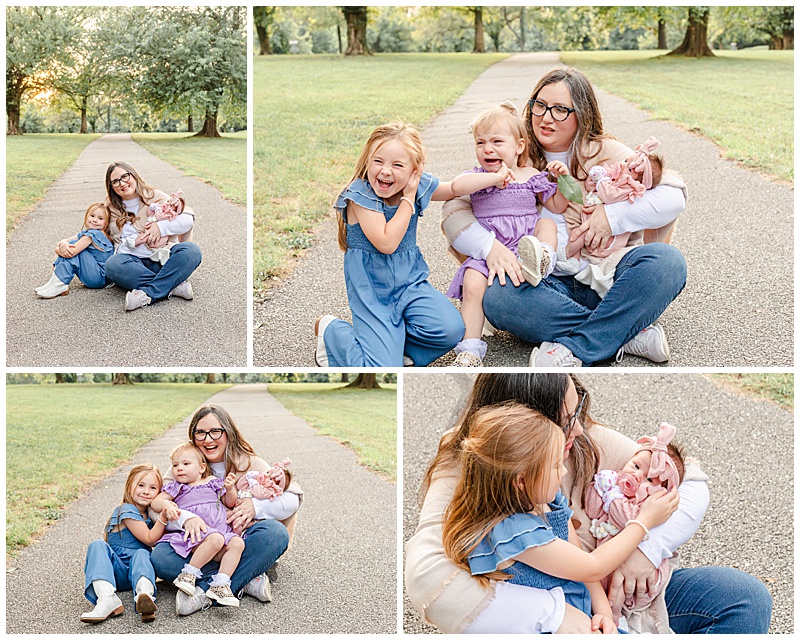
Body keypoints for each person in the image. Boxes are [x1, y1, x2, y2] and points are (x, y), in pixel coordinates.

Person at [405, 373, 773, 634]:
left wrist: (645, 551)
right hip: (559, 618)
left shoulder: (574, 448)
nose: (580, 430)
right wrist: (552, 615)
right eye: (567, 422)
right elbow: (427, 581)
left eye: (577, 409)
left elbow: (690, 480)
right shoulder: (476, 472)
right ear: (523, 435)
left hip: (610, 605)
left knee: (745, 599)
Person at [441, 68, 688, 367]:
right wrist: (489, 247)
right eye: (540, 105)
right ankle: (626, 332)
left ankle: (579, 345)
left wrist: (610, 217)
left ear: (582, 115)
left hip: (606, 279)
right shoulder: (513, 152)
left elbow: (674, 193)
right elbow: (455, 206)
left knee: (667, 263)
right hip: (541, 287)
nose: (546, 117)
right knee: (496, 296)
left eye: (560, 110)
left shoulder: (603, 152)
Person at [443, 402, 679, 633]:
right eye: (556, 466)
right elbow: (592, 567)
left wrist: (604, 611)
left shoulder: (547, 500)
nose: (564, 472)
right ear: (521, 481)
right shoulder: (513, 534)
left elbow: (581, 561)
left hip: (588, 617)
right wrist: (644, 521)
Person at [315, 121, 522, 367]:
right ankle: (332, 331)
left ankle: (390, 346)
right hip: (372, 293)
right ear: (367, 160)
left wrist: (493, 179)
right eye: (378, 161)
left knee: (451, 331)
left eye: (397, 165)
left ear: (414, 170)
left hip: (410, 283)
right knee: (382, 369)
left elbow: (454, 188)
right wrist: (409, 197)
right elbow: (387, 243)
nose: (385, 171)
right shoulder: (360, 195)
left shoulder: (417, 183)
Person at [150, 405, 302, 616]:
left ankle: (203, 591)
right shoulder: (184, 464)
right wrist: (186, 518)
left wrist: (254, 507)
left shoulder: (247, 462)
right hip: (196, 543)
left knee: (275, 534)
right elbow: (154, 508)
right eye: (200, 433)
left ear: (228, 432)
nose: (208, 439)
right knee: (160, 557)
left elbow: (292, 498)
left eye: (215, 431)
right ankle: (247, 578)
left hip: (233, 541)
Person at [443, 102, 563, 367]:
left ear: (519, 146)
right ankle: (470, 350)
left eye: (497, 141)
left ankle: (544, 260)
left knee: (549, 225)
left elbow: (557, 207)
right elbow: (456, 187)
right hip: (491, 251)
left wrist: (559, 181)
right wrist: (493, 179)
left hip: (526, 247)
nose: (488, 149)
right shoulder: (477, 177)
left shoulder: (531, 175)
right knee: (472, 283)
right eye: (480, 143)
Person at [532, 137, 665, 299]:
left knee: (581, 236)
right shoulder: (616, 178)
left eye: (629, 169)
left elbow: (608, 196)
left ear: (638, 180)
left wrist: (601, 181)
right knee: (578, 232)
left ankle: (565, 253)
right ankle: (572, 261)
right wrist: (593, 181)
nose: (622, 164)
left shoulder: (627, 188)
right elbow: (592, 188)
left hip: (603, 232)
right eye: (625, 161)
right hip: (589, 215)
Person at [585, 422, 685, 625]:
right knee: (605, 579)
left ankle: (616, 618)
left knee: (619, 587)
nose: (637, 476)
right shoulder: (614, 482)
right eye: (636, 466)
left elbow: (628, 519)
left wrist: (613, 498)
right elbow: (592, 509)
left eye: (649, 478)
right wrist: (597, 489)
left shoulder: (646, 502)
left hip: (641, 575)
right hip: (606, 557)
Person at [96, 161, 201, 311]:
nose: (122, 183)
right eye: (115, 181)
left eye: (125, 176)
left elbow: (188, 217)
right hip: (131, 263)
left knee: (191, 251)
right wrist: (68, 243)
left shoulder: (154, 196)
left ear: (133, 175)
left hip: (162, 258)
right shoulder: (109, 206)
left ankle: (148, 293)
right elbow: (93, 226)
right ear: (111, 187)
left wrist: (160, 227)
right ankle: (172, 285)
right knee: (112, 265)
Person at [155, 442, 245, 608]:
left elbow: (229, 502)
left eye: (186, 464)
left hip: (220, 533)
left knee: (238, 543)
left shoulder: (212, 482)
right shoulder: (177, 487)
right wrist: (166, 505)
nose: (179, 468)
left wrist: (230, 488)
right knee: (215, 539)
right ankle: (188, 574)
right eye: (175, 465)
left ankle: (221, 583)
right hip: (197, 535)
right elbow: (156, 502)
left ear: (202, 467)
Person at [81, 463, 174, 624]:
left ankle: (144, 596)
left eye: (153, 488)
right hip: (116, 572)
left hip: (138, 572)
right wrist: (164, 518)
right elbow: (149, 538)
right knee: (97, 544)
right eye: (141, 485)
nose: (146, 491)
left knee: (142, 553)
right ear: (129, 485)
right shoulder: (126, 510)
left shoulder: (151, 515)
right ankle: (106, 598)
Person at [36, 202, 114, 299]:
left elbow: (71, 252)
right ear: (86, 216)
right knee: (72, 244)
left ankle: (60, 284)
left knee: (75, 248)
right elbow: (62, 242)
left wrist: (60, 249)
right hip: (95, 276)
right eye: (92, 216)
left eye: (100, 218)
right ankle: (54, 282)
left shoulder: (94, 234)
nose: (95, 220)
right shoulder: (86, 232)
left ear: (106, 223)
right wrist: (63, 245)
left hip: (100, 279)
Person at [123, 189, 186, 266]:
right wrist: (152, 208)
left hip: (159, 237)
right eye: (168, 201)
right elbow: (150, 213)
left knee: (145, 238)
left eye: (170, 205)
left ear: (175, 211)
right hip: (149, 229)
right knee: (142, 235)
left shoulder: (168, 216)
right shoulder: (161, 208)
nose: (167, 204)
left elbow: (159, 217)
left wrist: (158, 209)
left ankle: (134, 243)